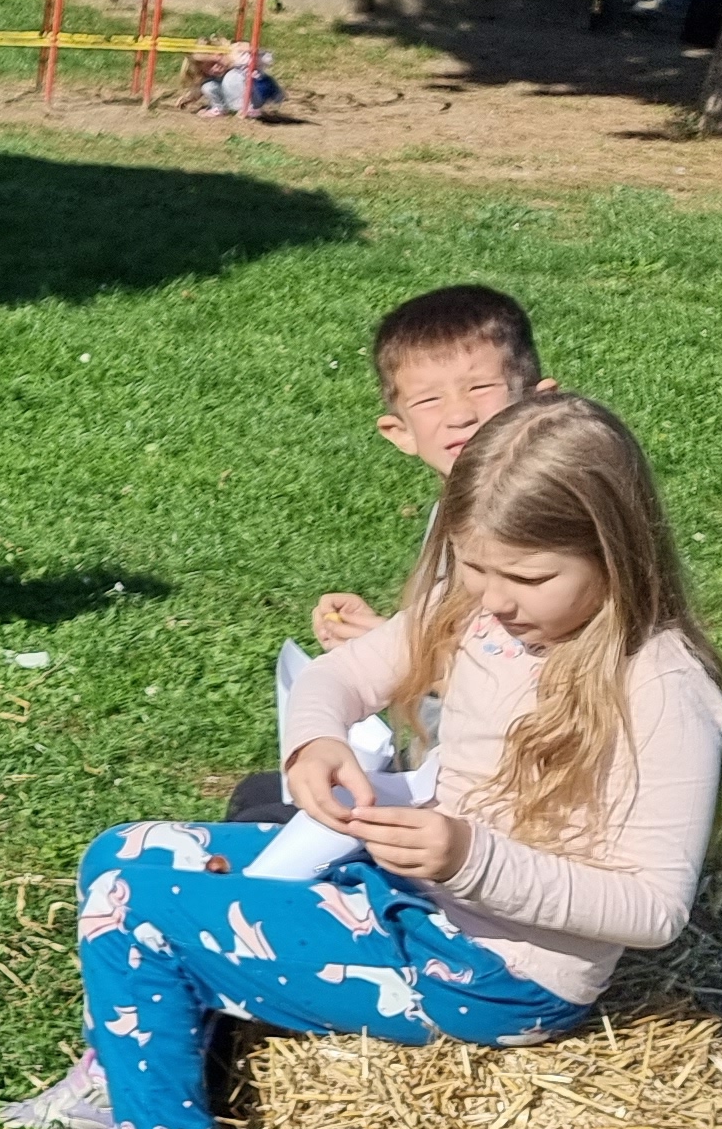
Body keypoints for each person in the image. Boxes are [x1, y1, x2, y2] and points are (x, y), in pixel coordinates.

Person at [8, 394, 722, 1129]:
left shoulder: (663, 687)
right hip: (412, 896)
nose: (495, 596)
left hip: (489, 972)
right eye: (472, 564)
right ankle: (133, 1070)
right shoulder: (484, 615)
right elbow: (340, 678)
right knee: (123, 855)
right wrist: (313, 744)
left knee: (136, 912)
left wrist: (472, 858)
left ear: (616, 551)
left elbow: (653, 907)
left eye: (527, 574)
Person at [218, 285, 551, 821]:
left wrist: (401, 658)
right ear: (399, 432)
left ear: (539, 402)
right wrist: (386, 638)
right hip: (440, 762)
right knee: (260, 794)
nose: (459, 414)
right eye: (429, 400)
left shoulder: (546, 530)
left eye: (480, 388)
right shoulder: (451, 513)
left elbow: (523, 683)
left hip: (498, 795)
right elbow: (449, 634)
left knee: (268, 821)